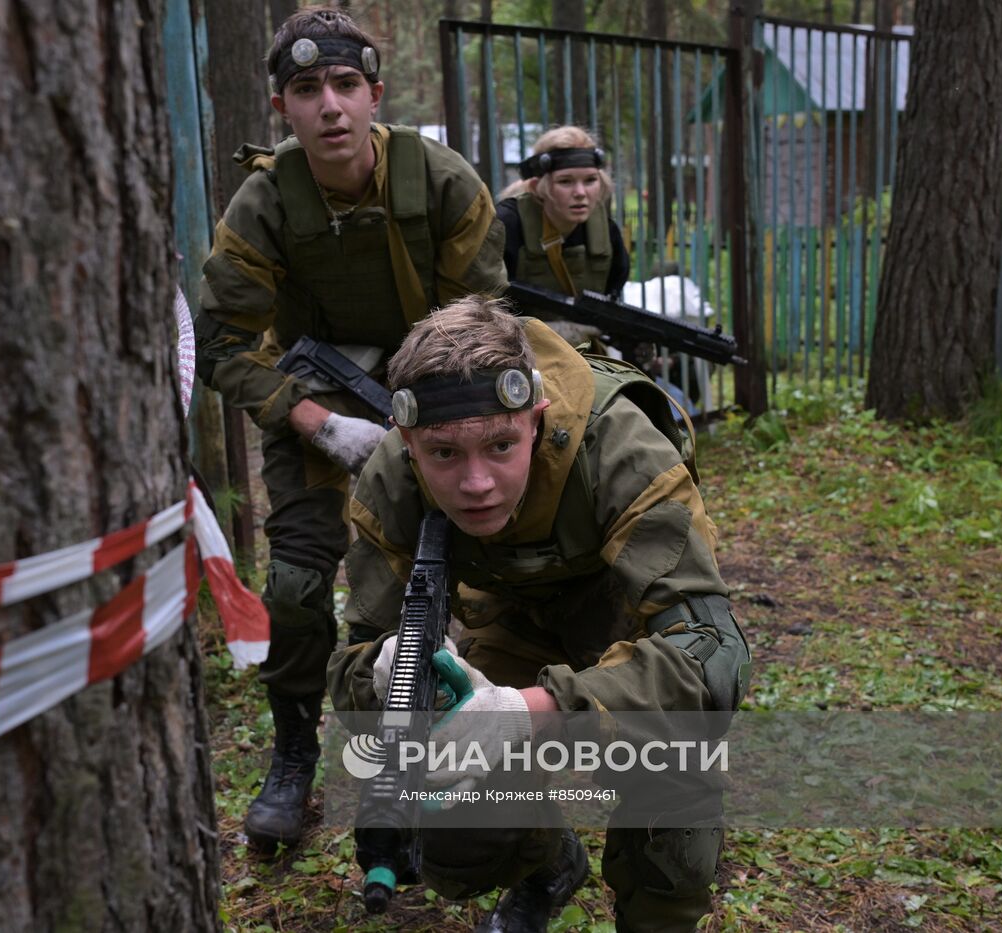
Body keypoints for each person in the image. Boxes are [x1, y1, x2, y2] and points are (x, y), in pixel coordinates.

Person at [327, 297, 750, 932]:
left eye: (500, 444)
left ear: (537, 417)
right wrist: (384, 674)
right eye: (443, 454)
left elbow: (713, 655)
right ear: (406, 438)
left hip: (630, 626)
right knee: (454, 825)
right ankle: (550, 863)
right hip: (512, 620)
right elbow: (353, 657)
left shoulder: (620, 446)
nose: (476, 483)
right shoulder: (391, 480)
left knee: (675, 817)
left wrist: (527, 713)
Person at [194, 6, 507, 850]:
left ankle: (433, 759)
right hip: (312, 408)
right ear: (281, 108)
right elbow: (221, 343)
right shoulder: (263, 204)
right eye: (306, 90)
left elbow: (481, 320)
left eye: (343, 85)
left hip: (433, 402)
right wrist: (316, 422)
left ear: (374, 94)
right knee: (297, 589)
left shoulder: (443, 184)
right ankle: (295, 757)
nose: (328, 106)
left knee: (434, 588)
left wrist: (429, 431)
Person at [497, 126, 630, 349]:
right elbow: (479, 310)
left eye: (590, 180)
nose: (580, 192)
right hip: (512, 359)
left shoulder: (605, 232)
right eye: (565, 182)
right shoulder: (507, 226)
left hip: (584, 357)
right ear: (537, 187)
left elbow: (612, 295)